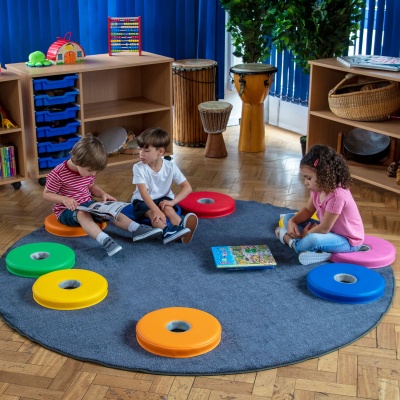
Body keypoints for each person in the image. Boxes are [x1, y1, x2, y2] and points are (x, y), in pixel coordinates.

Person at [43, 134, 163, 257]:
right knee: (83, 214)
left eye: (95, 171)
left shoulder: (87, 169)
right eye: (90, 171)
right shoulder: (58, 173)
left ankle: (136, 229)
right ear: (77, 161)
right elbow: (46, 194)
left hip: (87, 204)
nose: (93, 174)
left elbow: (90, 187)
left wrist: (102, 194)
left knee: (110, 210)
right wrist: (64, 199)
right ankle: (105, 240)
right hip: (67, 210)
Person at [275, 144, 365, 265]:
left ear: (323, 175)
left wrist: (307, 234)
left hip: (347, 241)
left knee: (313, 239)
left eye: (309, 178)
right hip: (328, 232)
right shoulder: (317, 190)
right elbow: (307, 210)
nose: (306, 183)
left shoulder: (337, 196)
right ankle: (309, 246)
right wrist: (292, 222)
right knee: (288, 217)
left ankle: (293, 243)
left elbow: (324, 228)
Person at [131, 127, 198, 244]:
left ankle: (181, 229)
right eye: (140, 149)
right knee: (154, 214)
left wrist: (172, 202)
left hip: (163, 198)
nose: (141, 153)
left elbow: (187, 187)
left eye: (146, 151)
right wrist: (156, 210)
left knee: (169, 209)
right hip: (142, 200)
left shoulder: (170, 166)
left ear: (160, 152)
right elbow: (143, 193)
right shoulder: (138, 167)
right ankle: (167, 231)